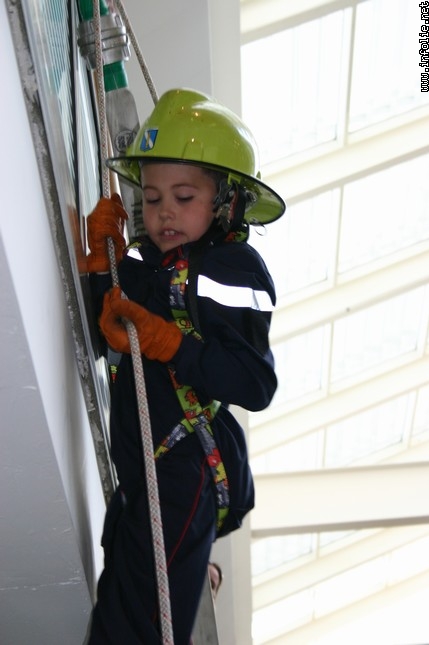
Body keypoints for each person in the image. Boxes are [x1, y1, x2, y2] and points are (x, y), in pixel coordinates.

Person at [85, 88, 285, 644]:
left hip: (181, 468)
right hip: (141, 476)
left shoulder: (230, 268)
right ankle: (197, 574)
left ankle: (196, 571)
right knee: (120, 609)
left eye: (183, 196)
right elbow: (101, 330)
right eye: (151, 198)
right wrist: (100, 261)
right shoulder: (146, 265)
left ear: (227, 202)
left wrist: (171, 344)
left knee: (131, 627)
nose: (164, 212)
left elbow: (254, 382)